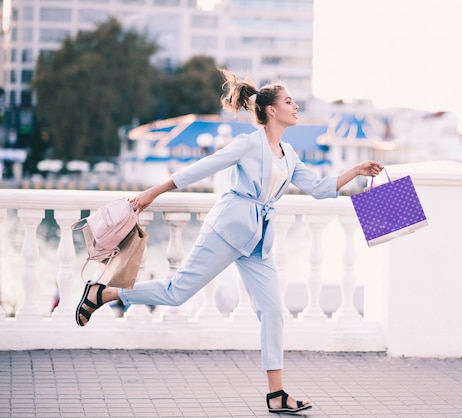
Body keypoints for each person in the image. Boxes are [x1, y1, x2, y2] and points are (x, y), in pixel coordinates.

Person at [75, 69, 384, 414]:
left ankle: (277, 394)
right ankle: (105, 293)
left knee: (272, 312)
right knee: (177, 292)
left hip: (259, 242)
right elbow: (202, 167)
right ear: (270, 110)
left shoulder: (291, 154)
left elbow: (320, 188)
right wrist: (152, 192)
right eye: (288, 101)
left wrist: (356, 170)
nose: (296, 106)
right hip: (227, 228)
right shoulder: (249, 143)